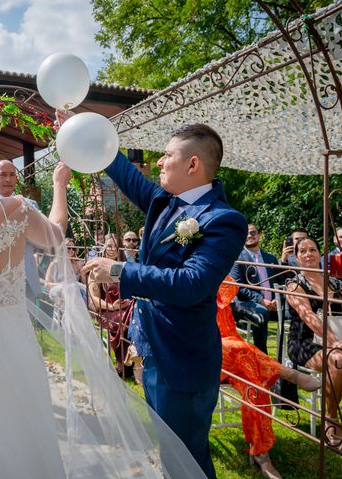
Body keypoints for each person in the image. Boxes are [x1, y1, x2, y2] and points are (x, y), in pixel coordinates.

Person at [0, 126, 204, 478]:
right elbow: (54, 235)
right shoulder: (11, 211)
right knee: (25, 438)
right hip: (11, 349)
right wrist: (59, 185)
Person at [83, 123, 248, 478]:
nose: (159, 162)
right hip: (151, 348)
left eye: (167, 155)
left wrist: (121, 271)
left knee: (187, 460)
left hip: (183, 360)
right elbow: (128, 176)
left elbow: (192, 284)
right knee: (168, 450)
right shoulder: (163, 202)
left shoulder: (224, 220)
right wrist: (85, 131)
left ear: (192, 165)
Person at [217, 279, 320, 479]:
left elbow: (238, 291)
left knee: (254, 384)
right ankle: (284, 372)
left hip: (234, 354)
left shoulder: (216, 276)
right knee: (238, 349)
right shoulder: (183, 279)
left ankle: (261, 453)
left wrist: (260, 302)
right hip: (207, 352)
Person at [286, 236, 342, 449]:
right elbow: (308, 316)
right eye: (303, 251)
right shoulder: (294, 283)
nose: (308, 254)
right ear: (297, 257)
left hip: (339, 341)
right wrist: (336, 342)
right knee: (338, 360)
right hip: (305, 341)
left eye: (312, 250)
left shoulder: (335, 280)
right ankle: (332, 420)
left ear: (320, 254)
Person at [0, 159, 42, 299]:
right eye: (3, 175)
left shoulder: (31, 205)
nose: (8, 179)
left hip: (26, 278)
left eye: (12, 175)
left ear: (16, 179)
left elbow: (41, 242)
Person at [229, 224, 281, 354]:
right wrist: (261, 300)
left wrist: (276, 300)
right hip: (248, 304)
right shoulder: (237, 258)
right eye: (245, 233)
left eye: (252, 233)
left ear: (259, 235)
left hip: (275, 304)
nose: (249, 236)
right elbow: (238, 287)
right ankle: (262, 358)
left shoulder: (270, 258)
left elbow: (279, 282)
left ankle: (286, 361)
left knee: (295, 309)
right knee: (262, 311)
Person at [86, 233, 132, 376]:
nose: (112, 249)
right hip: (107, 310)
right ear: (103, 248)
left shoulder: (125, 267)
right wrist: (112, 306)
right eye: (109, 246)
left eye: (116, 246)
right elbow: (94, 298)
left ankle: (135, 358)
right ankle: (125, 362)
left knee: (136, 312)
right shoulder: (96, 270)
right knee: (125, 317)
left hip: (126, 306)